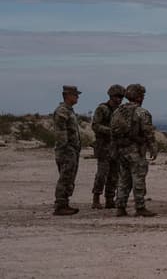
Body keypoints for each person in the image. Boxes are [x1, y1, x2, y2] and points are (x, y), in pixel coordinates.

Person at [112, 84, 158, 217]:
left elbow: (113, 132)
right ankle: (140, 207)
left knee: (123, 179)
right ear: (138, 96)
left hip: (121, 150)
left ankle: (120, 207)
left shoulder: (117, 111)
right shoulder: (141, 112)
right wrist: (153, 148)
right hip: (136, 150)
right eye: (142, 95)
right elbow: (148, 133)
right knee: (138, 178)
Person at [90, 84, 125, 209]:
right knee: (102, 174)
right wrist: (110, 130)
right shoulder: (102, 109)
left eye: (121, 97)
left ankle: (110, 199)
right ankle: (96, 198)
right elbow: (95, 125)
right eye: (117, 96)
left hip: (115, 147)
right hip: (104, 146)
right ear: (111, 96)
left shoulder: (120, 110)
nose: (119, 99)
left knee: (114, 174)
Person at [53, 85, 83, 216]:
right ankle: (60, 205)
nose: (77, 97)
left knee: (69, 177)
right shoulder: (62, 111)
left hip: (72, 150)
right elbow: (61, 134)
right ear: (67, 95)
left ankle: (64, 203)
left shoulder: (69, 111)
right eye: (75, 95)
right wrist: (66, 149)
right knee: (65, 177)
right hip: (66, 150)